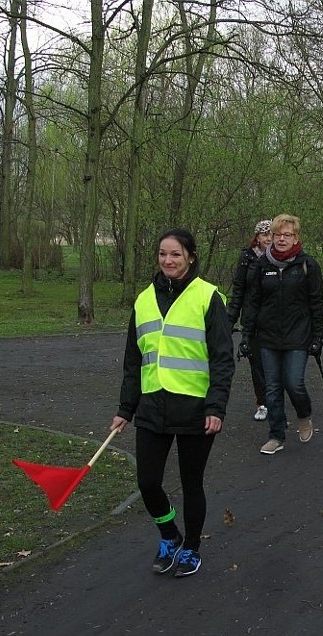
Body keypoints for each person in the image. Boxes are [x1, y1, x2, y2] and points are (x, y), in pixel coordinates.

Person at [110, 228, 234, 578]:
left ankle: (191, 546)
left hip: (196, 409)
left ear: (190, 257)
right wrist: (125, 409)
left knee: (191, 482)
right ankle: (169, 534)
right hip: (152, 407)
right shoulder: (143, 300)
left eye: (176, 254)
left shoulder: (208, 297)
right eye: (163, 254)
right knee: (148, 482)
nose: (168, 260)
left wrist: (216, 407)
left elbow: (223, 359)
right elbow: (134, 361)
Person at [243, 214, 323, 454]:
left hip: (298, 335)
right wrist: (247, 336)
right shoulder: (262, 265)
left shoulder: (307, 264)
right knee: (272, 387)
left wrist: (318, 337)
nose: (281, 239)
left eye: (287, 235)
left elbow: (317, 303)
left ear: (295, 237)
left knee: (294, 382)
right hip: (267, 336)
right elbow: (253, 302)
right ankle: (276, 435)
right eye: (277, 234)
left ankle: (304, 414)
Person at [226, 220, 272, 421]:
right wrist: (230, 318)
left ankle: (275, 398)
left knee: (275, 362)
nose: (268, 239)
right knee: (256, 362)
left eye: (271, 234)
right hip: (251, 318)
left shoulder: (279, 258)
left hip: (273, 318)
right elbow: (239, 289)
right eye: (264, 235)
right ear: (257, 237)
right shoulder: (247, 258)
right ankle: (262, 403)